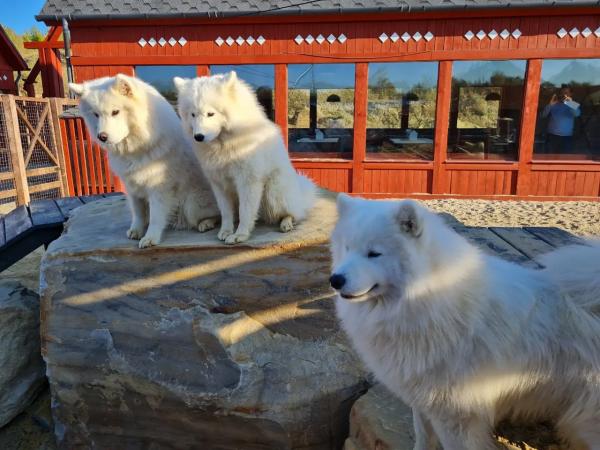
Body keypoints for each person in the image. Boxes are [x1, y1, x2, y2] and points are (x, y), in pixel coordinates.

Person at [542, 86, 581, 154]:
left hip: (567, 137)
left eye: (566, 93)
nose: (563, 94)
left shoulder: (573, 104)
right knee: (549, 159)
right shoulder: (554, 103)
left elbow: (577, 114)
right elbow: (543, 115)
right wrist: (550, 105)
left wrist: (570, 102)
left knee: (564, 160)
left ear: (571, 94)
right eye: (562, 92)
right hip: (552, 136)